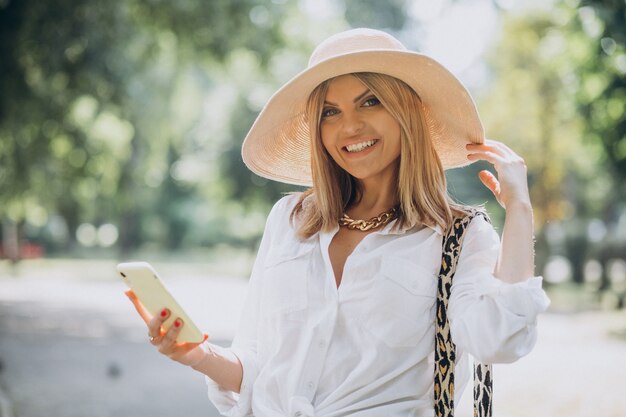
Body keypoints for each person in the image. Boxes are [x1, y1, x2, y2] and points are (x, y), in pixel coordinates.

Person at [126, 28, 550, 417]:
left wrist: (520, 210)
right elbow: (259, 366)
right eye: (330, 112)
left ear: (408, 112)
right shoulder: (289, 221)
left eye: (371, 101)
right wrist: (196, 353)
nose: (349, 126)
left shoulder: (458, 237)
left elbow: (499, 342)